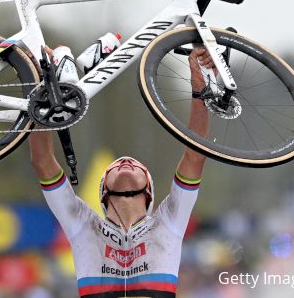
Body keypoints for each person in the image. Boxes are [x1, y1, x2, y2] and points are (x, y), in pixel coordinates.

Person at [29, 45, 214, 297]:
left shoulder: (168, 222)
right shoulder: (83, 225)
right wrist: (43, 90)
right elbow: (43, 161)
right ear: (105, 192)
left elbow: (195, 155)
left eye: (133, 165)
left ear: (148, 191)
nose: (126, 162)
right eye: (118, 166)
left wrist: (198, 77)